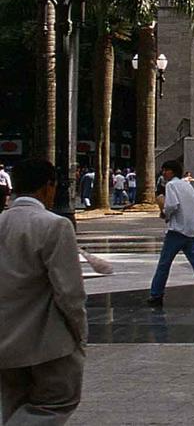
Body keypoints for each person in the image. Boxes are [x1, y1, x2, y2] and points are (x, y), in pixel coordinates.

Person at [0, 159, 87, 424]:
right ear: (48, 187)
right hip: (47, 341)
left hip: (5, 340)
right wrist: (79, 333)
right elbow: (69, 291)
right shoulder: (54, 225)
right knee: (56, 402)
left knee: (15, 404)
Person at [148, 160, 194, 308]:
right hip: (192, 231)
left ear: (172, 171)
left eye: (165, 170)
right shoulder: (187, 185)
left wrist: (165, 214)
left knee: (164, 264)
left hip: (177, 231)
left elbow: (172, 205)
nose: (163, 173)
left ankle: (156, 295)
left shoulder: (171, 185)